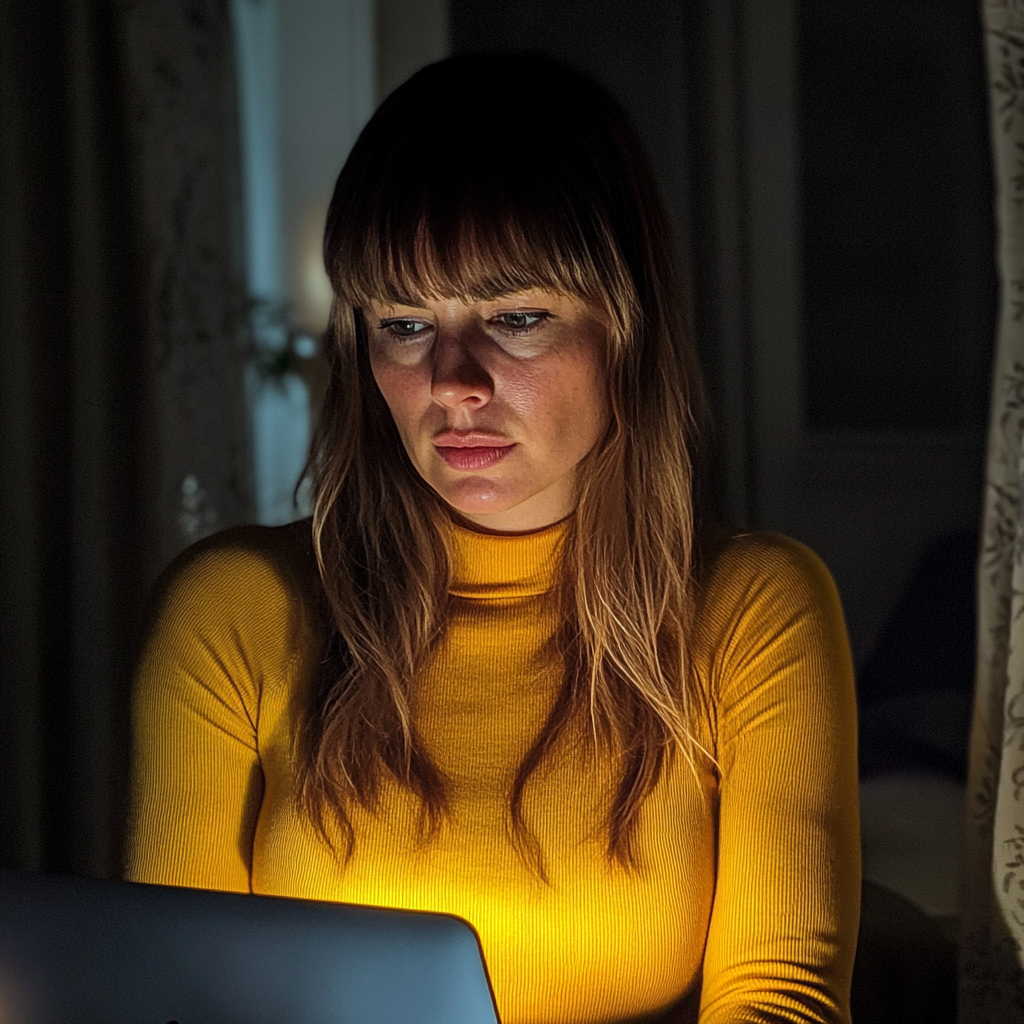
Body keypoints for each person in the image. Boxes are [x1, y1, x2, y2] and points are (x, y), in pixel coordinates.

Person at [125, 54, 860, 1024]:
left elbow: (781, 999)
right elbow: (168, 999)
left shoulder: (752, 607)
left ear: (625, 328)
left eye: (515, 317)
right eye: (403, 323)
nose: (452, 381)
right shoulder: (233, 608)